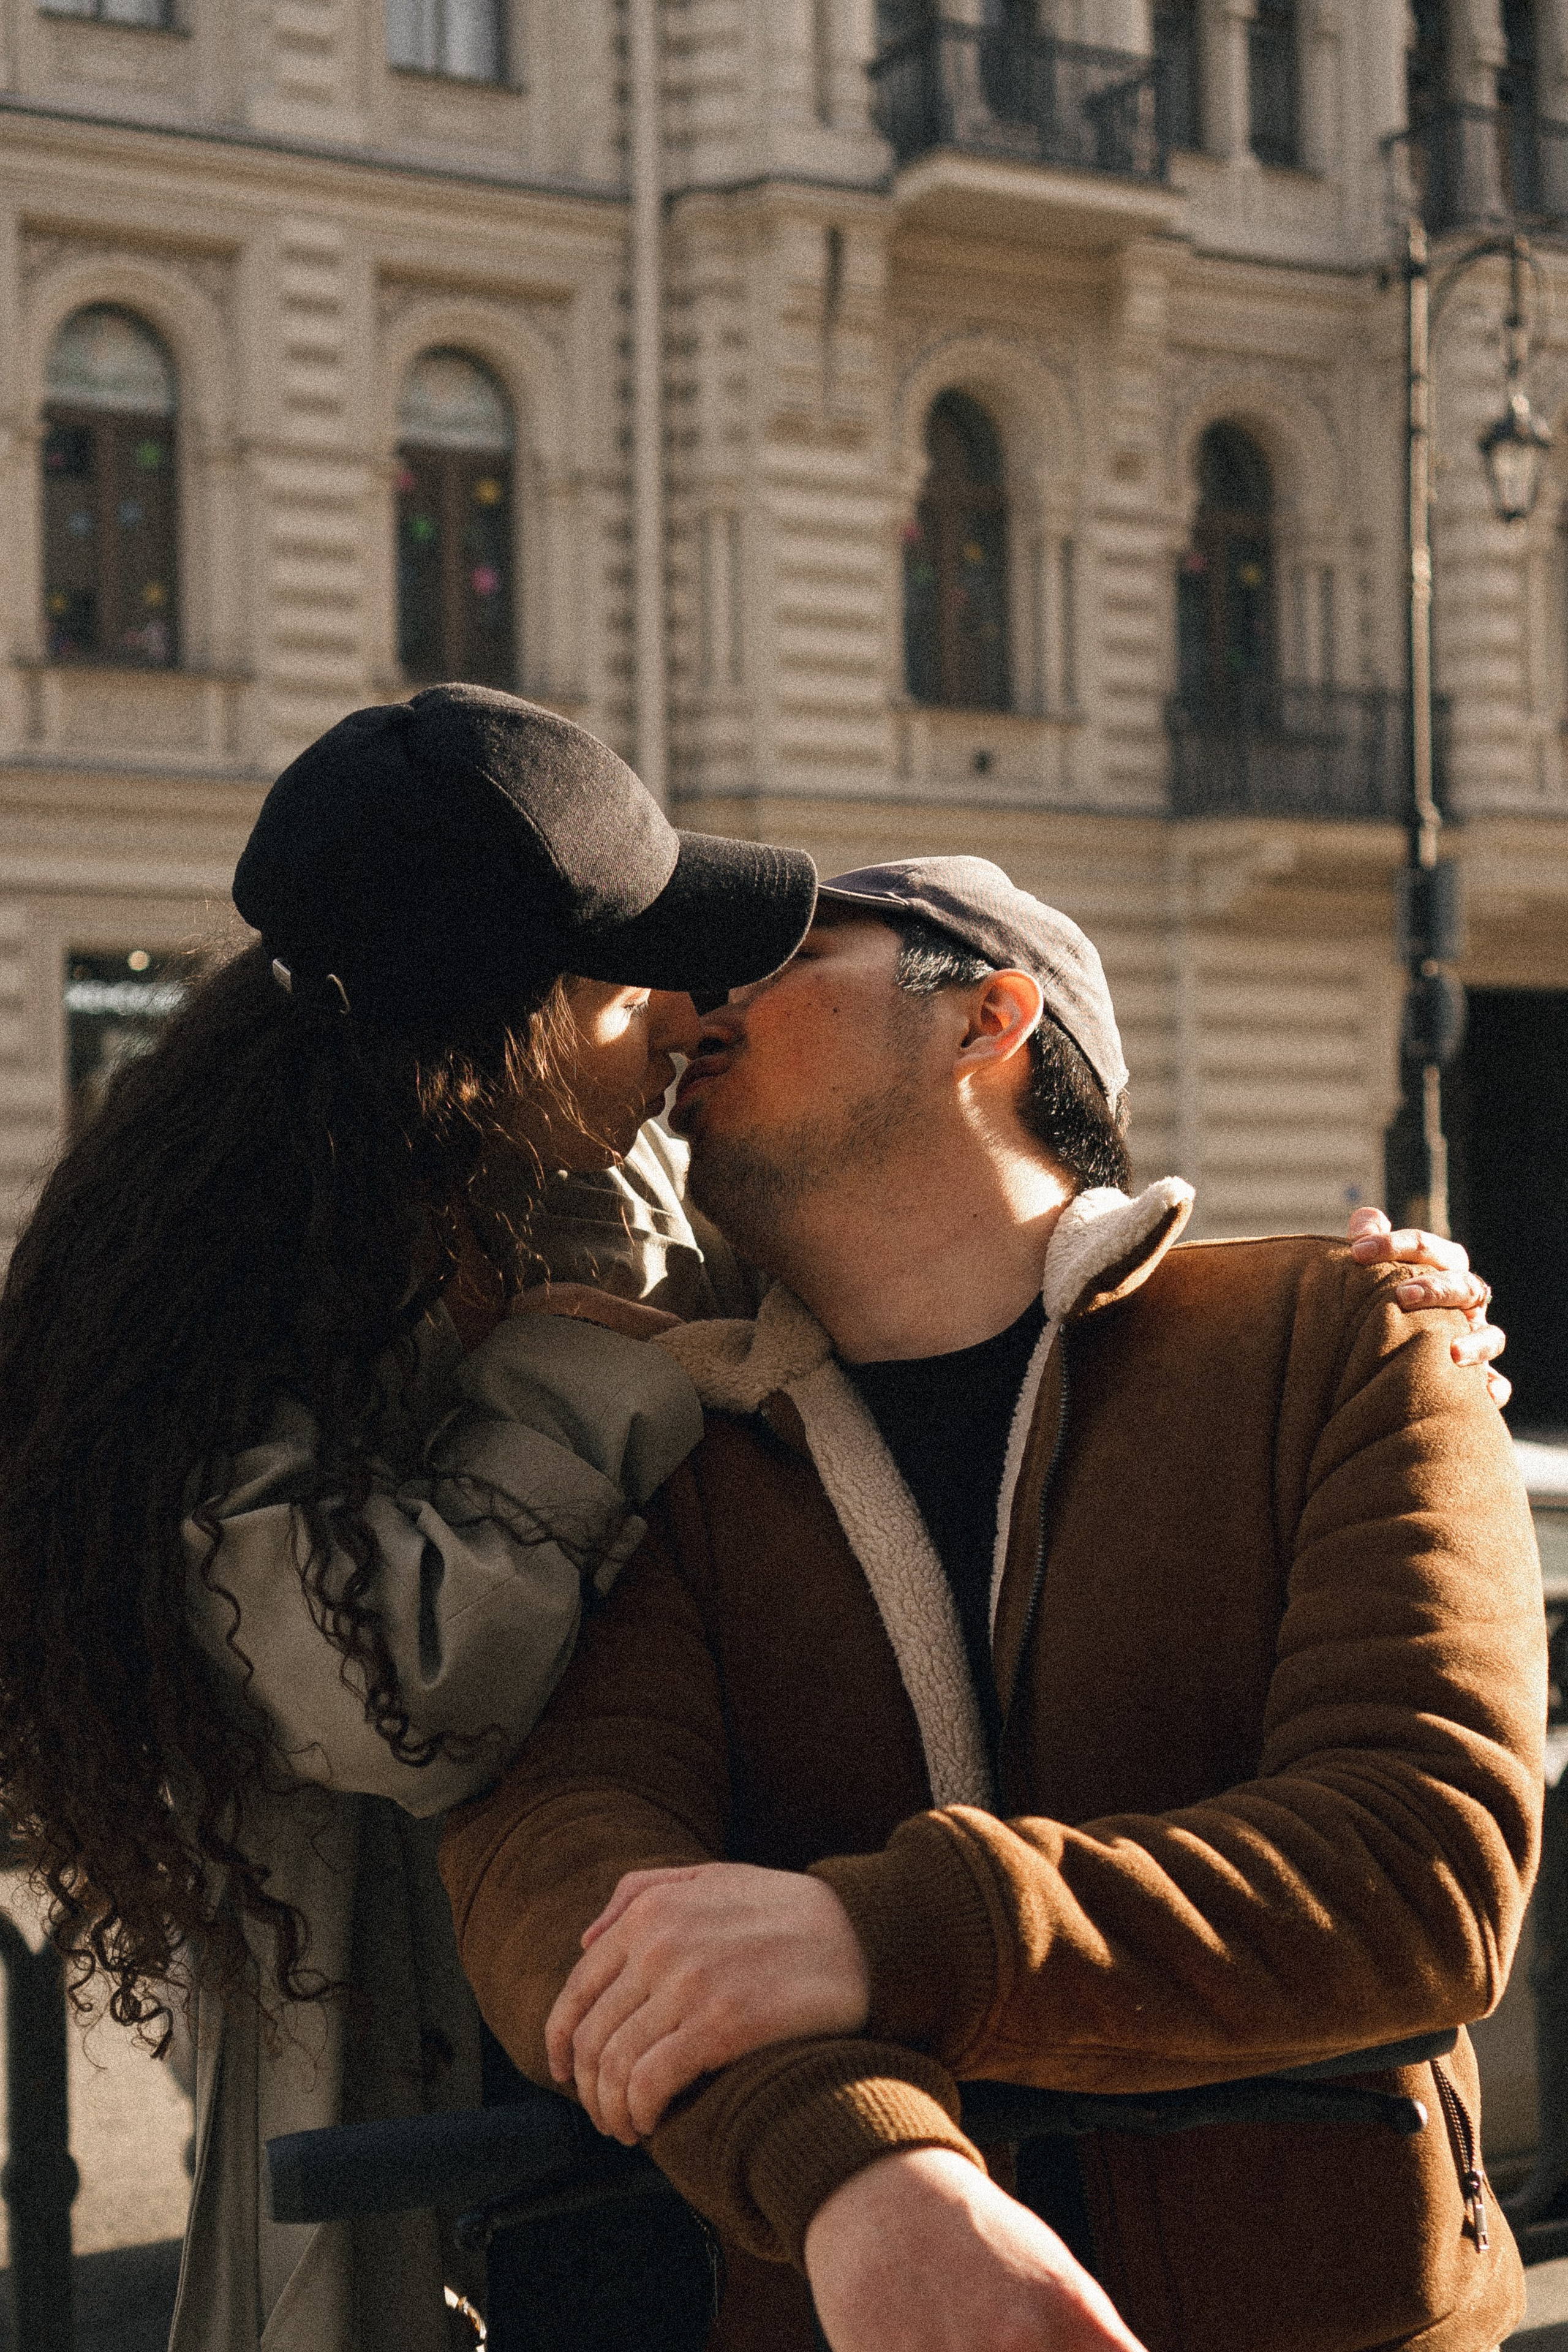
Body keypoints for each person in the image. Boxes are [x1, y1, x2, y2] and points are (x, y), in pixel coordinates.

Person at [441, 857, 1545, 2352]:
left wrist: (880, 1934)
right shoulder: (660, 1440)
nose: (704, 1006)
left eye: (784, 958)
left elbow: (1423, 1865)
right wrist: (862, 2168)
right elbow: (567, 1893)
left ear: (987, 1018)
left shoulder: (1339, 1341)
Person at [0, 685, 817, 2352]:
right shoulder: (218, 1288)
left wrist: (1316, 1303)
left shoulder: (592, 1188)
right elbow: (393, 1693)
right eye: (629, 974)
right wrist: (584, 1376)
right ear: (508, 1018)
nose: (682, 1015)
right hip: (408, 2101)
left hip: (676, 2056)